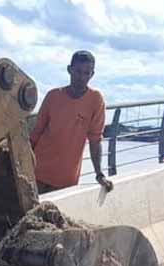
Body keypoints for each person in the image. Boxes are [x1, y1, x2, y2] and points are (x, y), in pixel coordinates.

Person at [30, 50, 114, 195]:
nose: (81, 77)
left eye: (86, 73)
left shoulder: (95, 100)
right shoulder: (53, 96)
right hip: (37, 171)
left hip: (66, 179)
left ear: (92, 74)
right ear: (70, 70)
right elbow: (36, 132)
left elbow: (95, 139)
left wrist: (99, 174)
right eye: (78, 71)